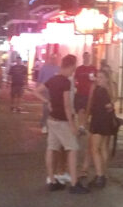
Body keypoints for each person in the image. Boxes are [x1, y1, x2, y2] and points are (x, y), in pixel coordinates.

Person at [35, 54, 89, 194]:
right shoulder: (65, 82)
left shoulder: (52, 79)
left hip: (51, 119)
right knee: (72, 148)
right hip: (62, 121)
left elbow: (36, 91)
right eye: (73, 68)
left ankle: (52, 180)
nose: (73, 72)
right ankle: (74, 183)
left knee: (51, 148)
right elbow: (66, 105)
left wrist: (47, 102)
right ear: (70, 66)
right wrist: (72, 124)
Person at [87, 70, 117, 188]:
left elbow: (103, 106)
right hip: (106, 121)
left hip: (99, 121)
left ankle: (99, 176)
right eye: (97, 77)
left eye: (100, 77)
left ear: (106, 79)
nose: (97, 79)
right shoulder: (108, 91)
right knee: (103, 147)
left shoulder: (99, 91)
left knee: (95, 149)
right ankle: (103, 173)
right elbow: (110, 106)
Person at [73, 52, 96, 134]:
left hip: (89, 93)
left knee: (87, 110)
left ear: (90, 57)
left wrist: (94, 80)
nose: (87, 58)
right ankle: (81, 126)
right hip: (80, 92)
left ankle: (84, 124)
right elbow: (75, 79)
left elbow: (95, 80)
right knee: (80, 109)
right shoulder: (79, 69)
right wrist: (74, 87)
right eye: (85, 57)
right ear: (83, 57)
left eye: (88, 56)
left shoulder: (93, 68)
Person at [37, 52, 60, 134]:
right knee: (46, 108)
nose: (54, 60)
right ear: (50, 59)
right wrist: (38, 87)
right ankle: (44, 124)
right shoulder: (45, 67)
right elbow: (40, 79)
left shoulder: (58, 68)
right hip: (46, 90)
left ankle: (48, 124)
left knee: (52, 109)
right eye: (52, 58)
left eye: (55, 58)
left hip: (55, 91)